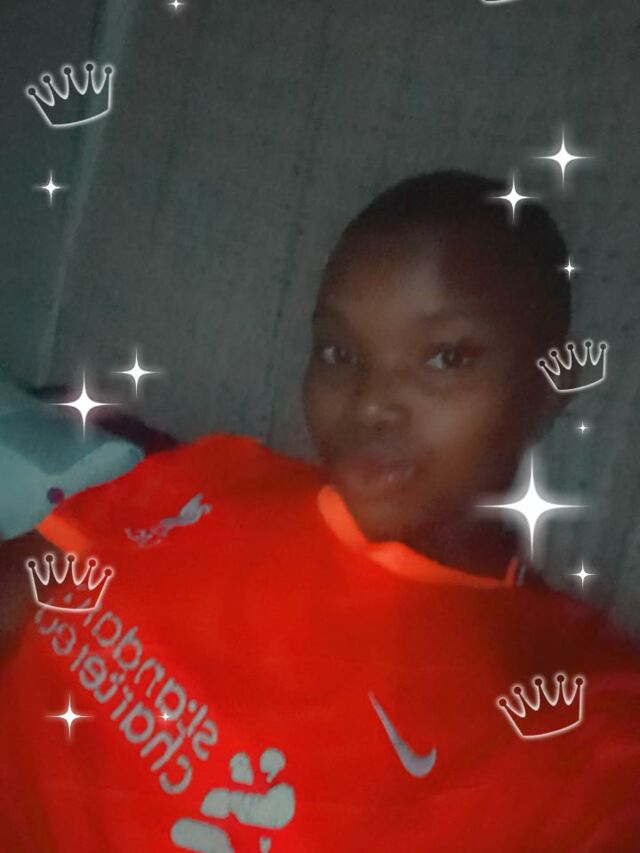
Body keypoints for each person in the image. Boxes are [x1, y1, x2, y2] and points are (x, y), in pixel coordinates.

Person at [1, 171, 639, 852]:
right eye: (340, 352)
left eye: (446, 358)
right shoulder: (219, 475)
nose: (370, 402)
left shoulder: (566, 706)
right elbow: (22, 584)